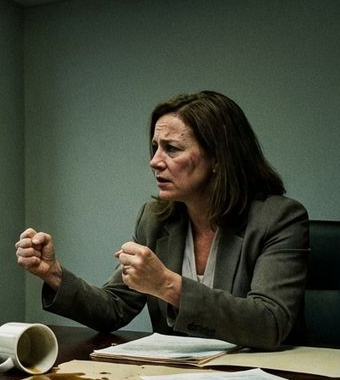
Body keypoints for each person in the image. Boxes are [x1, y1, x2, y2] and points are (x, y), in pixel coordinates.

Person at [15, 90, 308, 349]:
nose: (154, 161)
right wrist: (53, 273)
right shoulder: (155, 219)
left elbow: (270, 323)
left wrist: (169, 285)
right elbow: (114, 308)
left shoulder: (278, 218)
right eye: (155, 146)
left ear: (218, 158)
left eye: (172, 148)